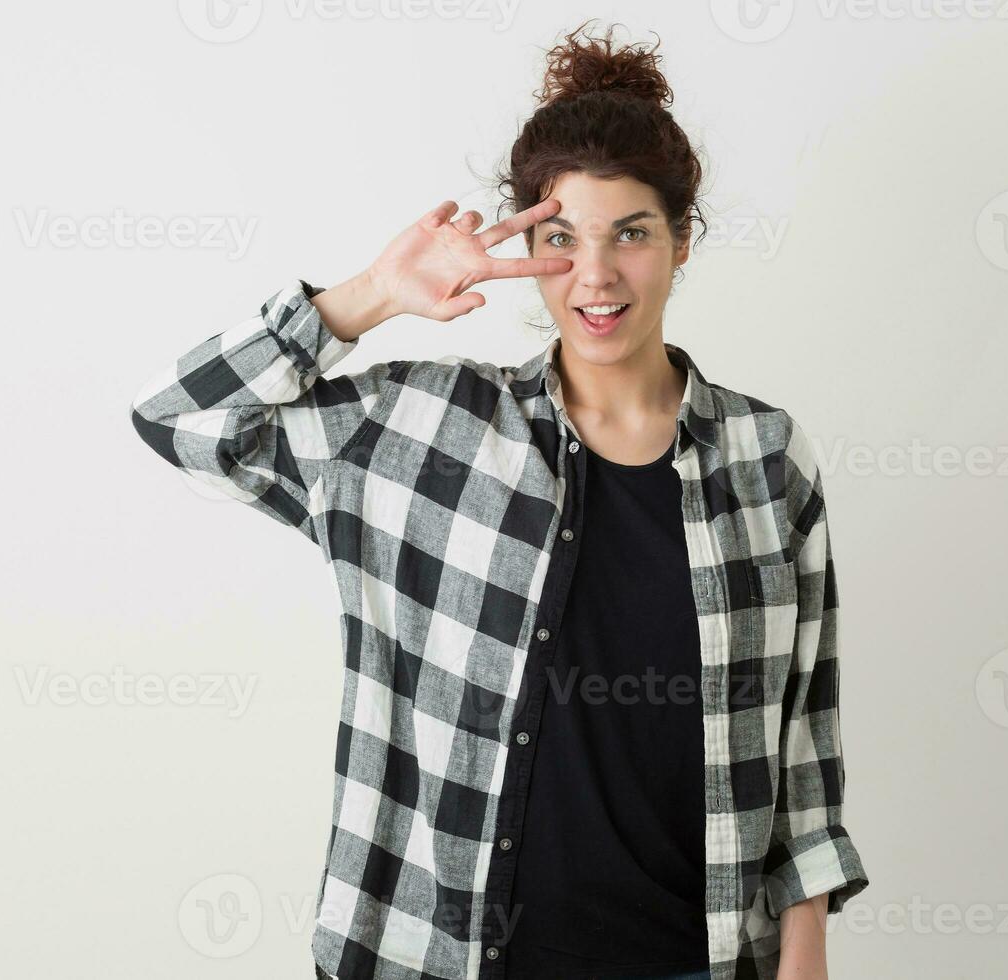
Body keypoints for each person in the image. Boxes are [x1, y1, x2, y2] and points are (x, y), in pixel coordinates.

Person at [129, 19, 867, 980]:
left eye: (631, 235)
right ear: (527, 243)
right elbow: (183, 421)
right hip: (446, 957)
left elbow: (803, 737)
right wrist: (374, 294)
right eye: (561, 238)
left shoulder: (767, 457)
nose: (595, 276)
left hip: (699, 957)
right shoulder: (424, 429)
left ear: (681, 242)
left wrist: (805, 954)